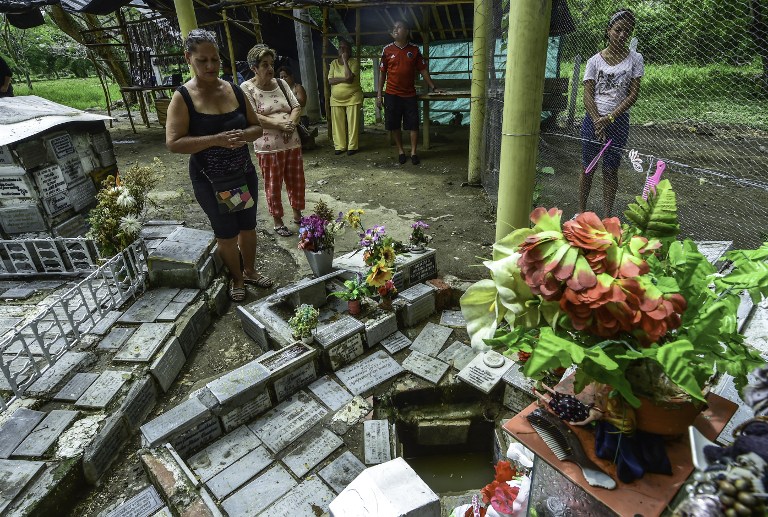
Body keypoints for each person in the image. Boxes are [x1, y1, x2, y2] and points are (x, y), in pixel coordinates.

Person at [165, 29, 273, 303]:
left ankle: (249, 270)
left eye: (215, 59)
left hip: (241, 173)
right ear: (188, 58)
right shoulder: (183, 97)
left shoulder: (233, 90)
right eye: (203, 60)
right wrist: (216, 139)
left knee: (247, 227)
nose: (211, 66)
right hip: (212, 180)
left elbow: (256, 127)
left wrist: (242, 136)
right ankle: (236, 277)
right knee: (226, 232)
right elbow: (174, 142)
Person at [580, 9, 643, 217]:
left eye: (627, 31)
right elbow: (587, 95)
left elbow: (633, 95)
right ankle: (581, 213)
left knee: (610, 169)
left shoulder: (635, 59)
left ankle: (607, 217)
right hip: (593, 120)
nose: (622, 35)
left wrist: (610, 118)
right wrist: (598, 120)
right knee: (587, 168)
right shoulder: (593, 62)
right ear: (609, 31)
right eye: (618, 30)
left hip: (618, 121)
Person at [241, 44, 305, 238]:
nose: (270, 68)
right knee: (273, 184)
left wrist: (290, 124)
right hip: (268, 148)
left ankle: (298, 216)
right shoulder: (247, 88)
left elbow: (295, 106)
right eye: (264, 64)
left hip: (292, 143)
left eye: (271, 64)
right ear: (254, 68)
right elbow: (253, 116)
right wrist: (279, 125)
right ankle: (278, 221)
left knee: (296, 182)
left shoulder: (281, 83)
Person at [376, 20, 441, 165]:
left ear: (407, 31)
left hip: (409, 94)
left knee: (413, 124)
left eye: (399, 27)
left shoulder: (414, 50)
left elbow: (423, 70)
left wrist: (433, 86)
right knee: (394, 124)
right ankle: (401, 151)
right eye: (394, 28)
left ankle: (413, 152)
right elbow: (382, 74)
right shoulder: (387, 50)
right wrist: (379, 95)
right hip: (392, 94)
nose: (395, 30)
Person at [328, 39, 363, 156]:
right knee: (337, 124)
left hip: (353, 97)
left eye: (344, 48)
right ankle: (340, 146)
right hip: (336, 99)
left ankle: (352, 146)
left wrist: (344, 60)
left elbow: (350, 78)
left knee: (352, 123)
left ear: (349, 50)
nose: (342, 50)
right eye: (340, 47)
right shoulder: (333, 63)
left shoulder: (354, 62)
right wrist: (344, 79)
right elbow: (330, 80)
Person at [278, 65, 317, 149]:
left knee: (289, 126)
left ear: (291, 77)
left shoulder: (297, 87)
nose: (283, 79)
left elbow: (302, 103)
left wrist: (288, 98)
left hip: (301, 119)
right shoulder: (279, 90)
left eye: (286, 76)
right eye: (281, 77)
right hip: (286, 118)